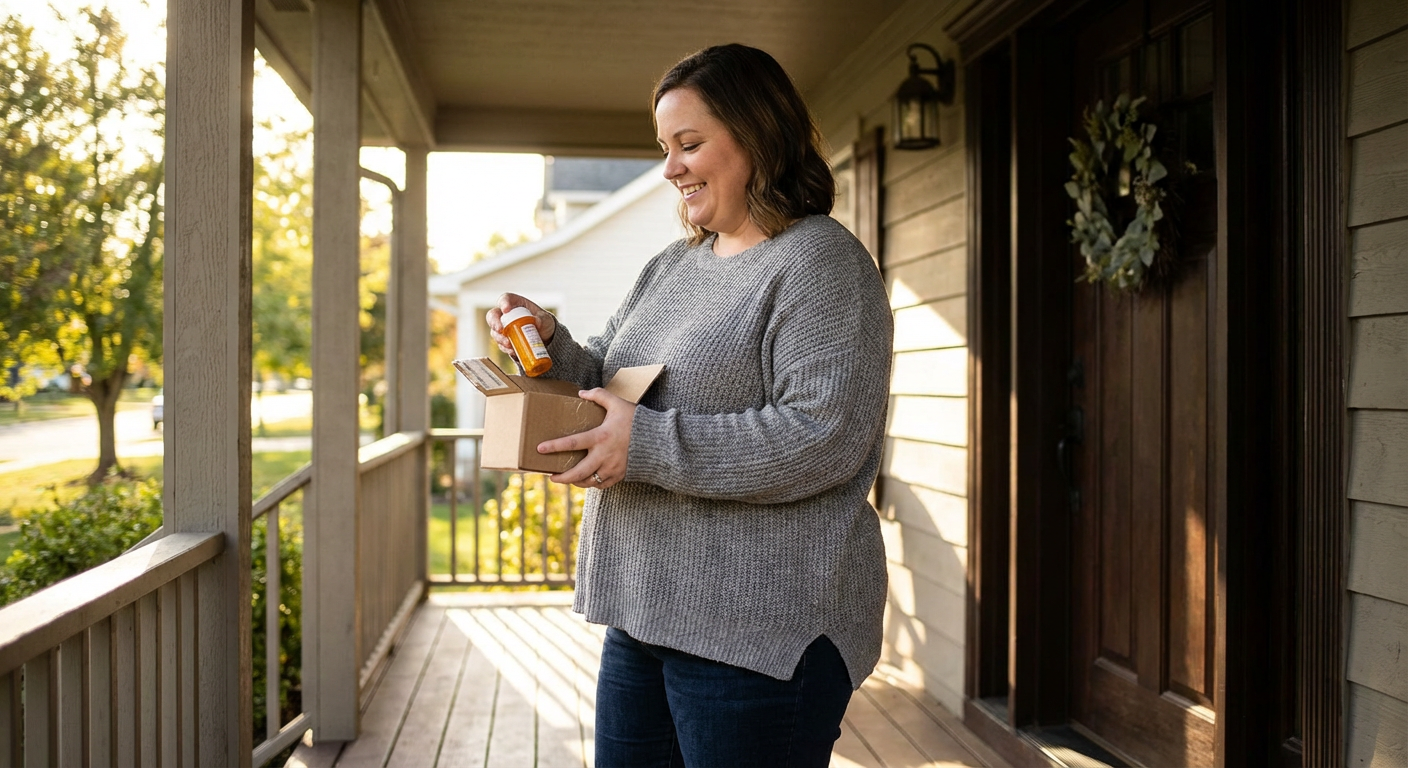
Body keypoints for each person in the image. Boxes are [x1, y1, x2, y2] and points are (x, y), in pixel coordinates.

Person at [486, 43, 892, 767]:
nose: (670, 166)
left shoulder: (821, 263)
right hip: (645, 614)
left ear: (759, 136)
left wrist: (644, 444)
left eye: (690, 143)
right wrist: (548, 345)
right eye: (664, 147)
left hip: (759, 635)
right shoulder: (675, 265)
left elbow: (823, 436)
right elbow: (615, 376)